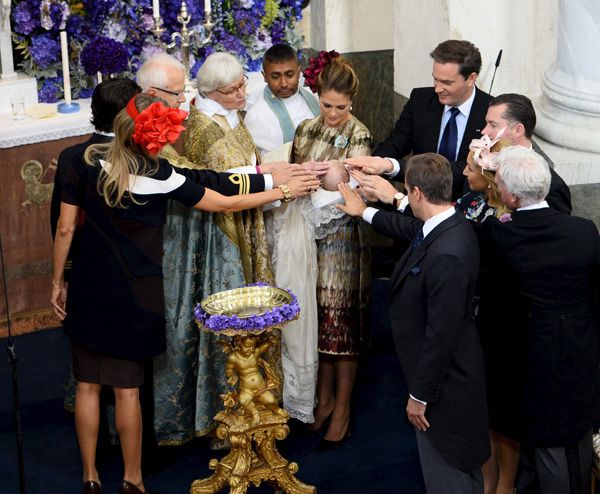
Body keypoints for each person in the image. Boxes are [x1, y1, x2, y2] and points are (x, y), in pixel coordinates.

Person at [50, 93, 318, 494]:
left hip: (89, 286)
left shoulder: (80, 161)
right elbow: (227, 203)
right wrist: (282, 192)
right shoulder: (161, 174)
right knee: (127, 392)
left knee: (88, 384)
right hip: (136, 295)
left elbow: (66, 229)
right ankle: (133, 478)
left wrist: (58, 281)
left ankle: (90, 476)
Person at [337, 153, 489, 493]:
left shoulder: (448, 252)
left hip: (446, 388)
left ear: (417, 193)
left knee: (448, 471)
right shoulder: (449, 223)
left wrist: (419, 396)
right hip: (444, 376)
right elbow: (410, 227)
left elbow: (441, 333)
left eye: (407, 192)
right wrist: (365, 211)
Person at [479, 146, 600, 494]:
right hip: (579, 351)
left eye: (499, 182)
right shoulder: (583, 230)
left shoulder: (500, 234)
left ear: (511, 196)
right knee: (575, 436)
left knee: (549, 448)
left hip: (530, 360)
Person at [289, 52, 372, 445]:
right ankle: (320, 398)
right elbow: (291, 174)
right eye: (327, 105)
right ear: (316, 95)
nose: (334, 113)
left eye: (341, 107)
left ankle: (343, 406)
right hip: (307, 233)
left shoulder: (359, 134)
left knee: (343, 324)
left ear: (352, 102)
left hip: (343, 237)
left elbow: (356, 191)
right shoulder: (305, 129)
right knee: (317, 320)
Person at [346, 39, 491, 200]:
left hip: (465, 207)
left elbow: (466, 168)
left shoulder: (490, 113)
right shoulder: (420, 100)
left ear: (471, 78)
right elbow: (396, 143)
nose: (437, 88)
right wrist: (373, 168)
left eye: (446, 82)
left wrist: (391, 166)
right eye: (435, 79)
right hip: (416, 202)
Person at [481, 93, 571, 214]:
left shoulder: (553, 187)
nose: (484, 131)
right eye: (487, 124)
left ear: (518, 130)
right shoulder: (483, 159)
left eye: (493, 125)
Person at [245, 43, 320, 156]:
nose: (284, 84)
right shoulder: (256, 115)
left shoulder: (316, 98)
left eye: (289, 75)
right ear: (264, 76)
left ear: (299, 72)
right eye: (275, 77)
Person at [455, 135, 511, 222]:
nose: (464, 172)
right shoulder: (471, 198)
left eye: (470, 169)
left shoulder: (506, 218)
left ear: (489, 177)